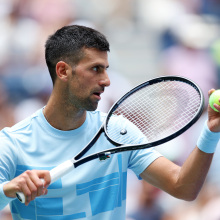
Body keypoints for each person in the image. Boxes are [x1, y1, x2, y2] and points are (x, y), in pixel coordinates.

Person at [0, 25, 220, 220]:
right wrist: (9, 190)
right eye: (96, 69)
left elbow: (183, 187)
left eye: (106, 68)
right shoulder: (13, 143)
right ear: (63, 71)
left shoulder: (118, 132)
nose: (106, 80)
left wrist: (210, 132)